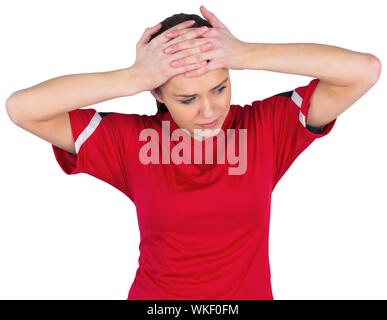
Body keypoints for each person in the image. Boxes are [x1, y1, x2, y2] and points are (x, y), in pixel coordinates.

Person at [6, 5, 381, 300]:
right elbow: (23, 108)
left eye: (219, 88)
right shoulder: (129, 142)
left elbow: (363, 70)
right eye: (187, 98)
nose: (209, 111)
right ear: (158, 93)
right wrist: (132, 77)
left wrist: (246, 52)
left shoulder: (266, 129)